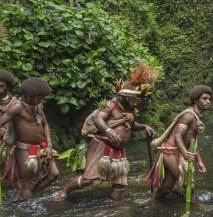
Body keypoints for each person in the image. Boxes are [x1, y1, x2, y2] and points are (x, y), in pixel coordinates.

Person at [56, 63, 157, 201]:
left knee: (119, 185)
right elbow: (99, 119)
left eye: (139, 99)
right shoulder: (111, 104)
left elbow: (132, 125)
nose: (137, 103)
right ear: (126, 96)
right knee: (88, 180)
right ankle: (66, 191)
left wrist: (144, 126)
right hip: (102, 146)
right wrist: (109, 131)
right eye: (135, 99)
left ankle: (115, 213)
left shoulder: (129, 108)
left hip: (119, 151)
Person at [0, 77, 59, 199]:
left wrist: (49, 145)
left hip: (42, 147)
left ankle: (33, 194)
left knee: (54, 174)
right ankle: (28, 207)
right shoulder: (17, 107)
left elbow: (45, 124)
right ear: (29, 96)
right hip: (24, 148)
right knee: (29, 183)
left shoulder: (39, 106)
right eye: (40, 96)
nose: (42, 99)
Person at [147, 85, 212, 200]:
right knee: (189, 184)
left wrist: (200, 161)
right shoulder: (189, 115)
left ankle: (152, 202)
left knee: (166, 187)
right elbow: (177, 135)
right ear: (196, 100)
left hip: (178, 152)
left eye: (209, 99)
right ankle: (195, 206)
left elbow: (193, 142)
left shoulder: (197, 117)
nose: (208, 101)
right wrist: (185, 153)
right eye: (204, 98)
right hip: (170, 152)